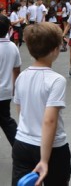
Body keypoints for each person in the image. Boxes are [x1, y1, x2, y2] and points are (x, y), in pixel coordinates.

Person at [12, 22, 71, 186]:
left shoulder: (22, 77)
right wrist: (44, 160)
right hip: (52, 149)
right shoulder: (56, 80)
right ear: (54, 51)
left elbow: (21, 110)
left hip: (22, 143)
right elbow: (49, 120)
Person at [0, 15, 21, 147]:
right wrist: (14, 87)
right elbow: (16, 70)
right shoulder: (13, 47)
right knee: (6, 121)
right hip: (5, 91)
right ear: (9, 28)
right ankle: (19, 147)